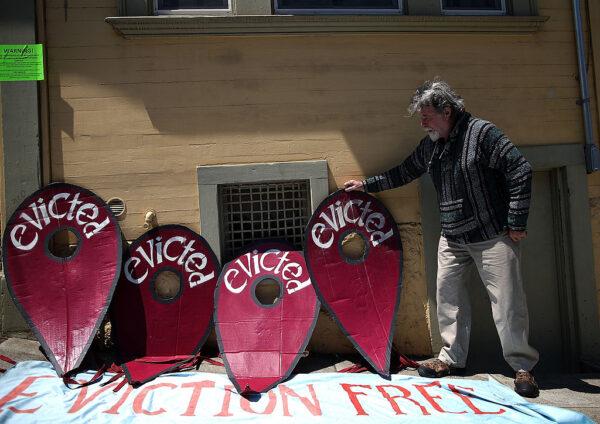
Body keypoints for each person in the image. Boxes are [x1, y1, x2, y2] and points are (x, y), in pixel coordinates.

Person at [344, 78, 540, 398]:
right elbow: (405, 171)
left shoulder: (482, 134)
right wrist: (367, 185)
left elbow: (520, 169)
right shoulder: (432, 145)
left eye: (426, 116)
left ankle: (523, 368)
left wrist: (516, 221)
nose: (422, 123)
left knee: (507, 303)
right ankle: (451, 358)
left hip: (492, 236)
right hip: (452, 237)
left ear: (446, 111)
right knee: (448, 299)